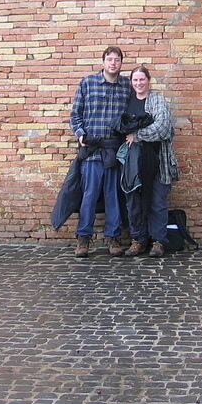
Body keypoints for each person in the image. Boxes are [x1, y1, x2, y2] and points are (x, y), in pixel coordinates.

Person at [69, 46, 132, 258]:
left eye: (117, 60)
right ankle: (83, 238)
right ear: (103, 61)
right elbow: (75, 115)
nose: (113, 63)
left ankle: (113, 238)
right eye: (110, 59)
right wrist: (80, 134)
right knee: (89, 195)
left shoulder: (126, 86)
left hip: (114, 150)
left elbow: (133, 114)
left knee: (113, 196)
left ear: (121, 63)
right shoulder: (87, 83)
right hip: (92, 150)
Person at [122, 65, 179, 259]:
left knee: (157, 201)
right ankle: (138, 239)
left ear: (148, 80)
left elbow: (163, 128)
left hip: (158, 161)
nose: (138, 83)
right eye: (135, 80)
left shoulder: (157, 100)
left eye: (142, 79)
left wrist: (137, 135)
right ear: (131, 82)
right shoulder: (127, 102)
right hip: (133, 162)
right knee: (134, 202)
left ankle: (158, 241)